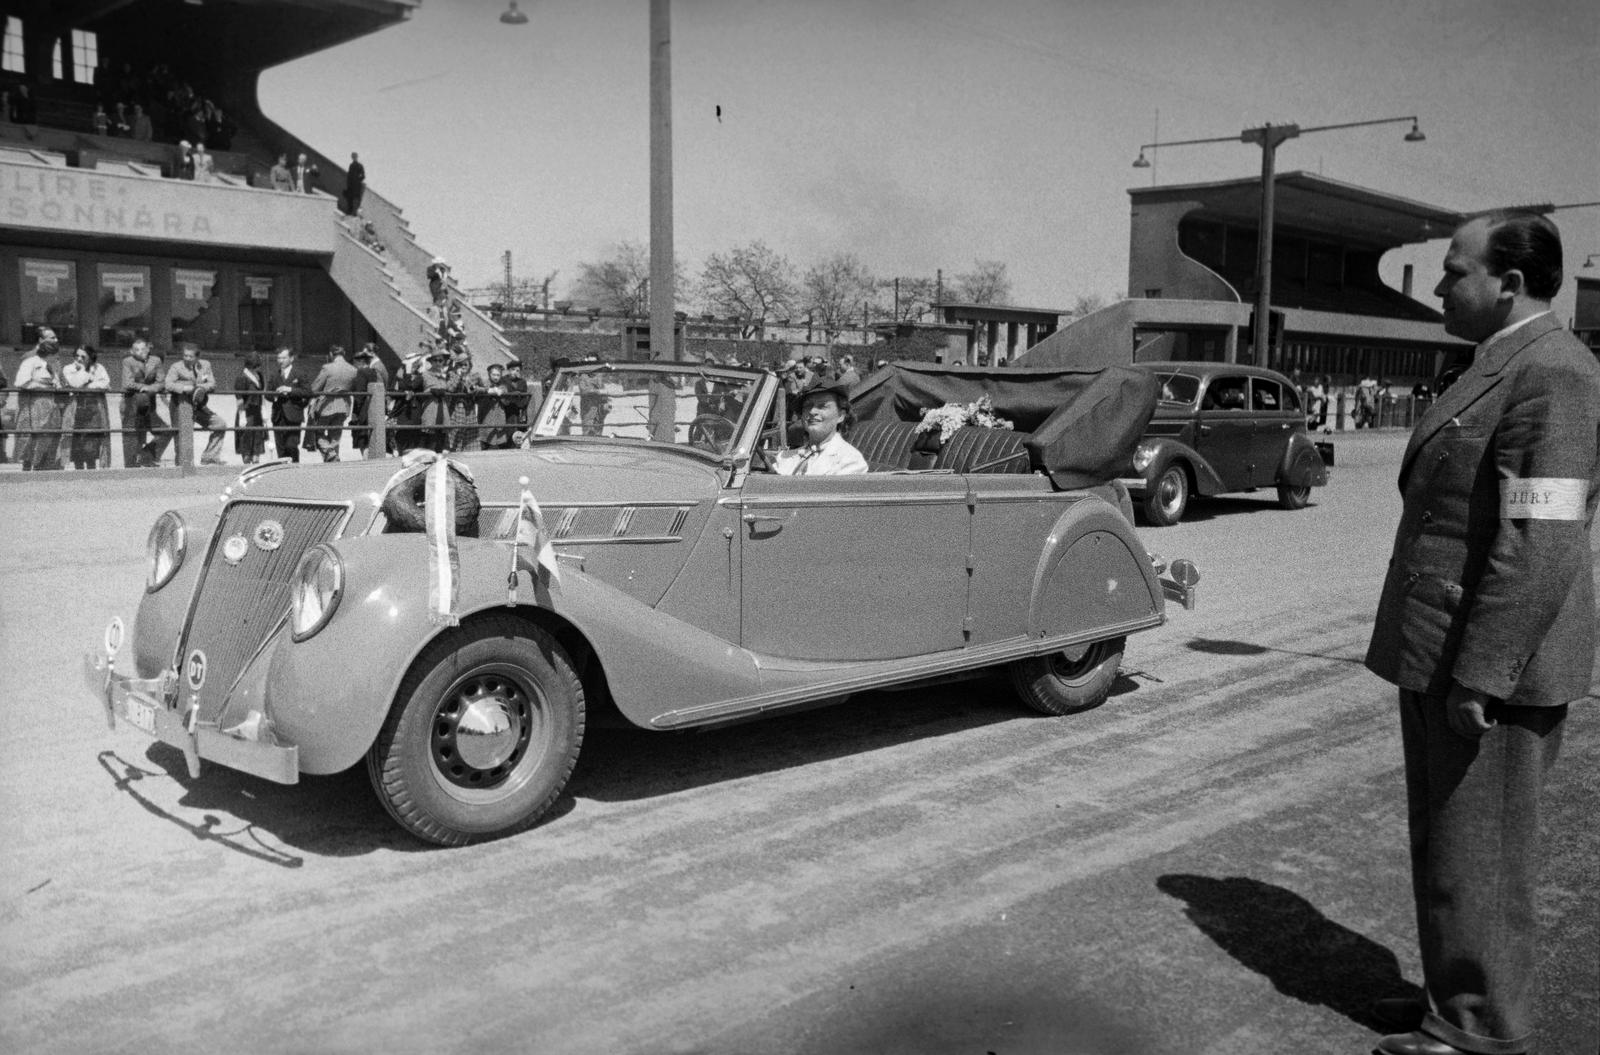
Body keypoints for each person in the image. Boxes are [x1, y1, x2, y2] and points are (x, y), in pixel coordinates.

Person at [1363, 212, 1600, 1055]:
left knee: (1485, 853)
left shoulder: (1556, 375)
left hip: (1490, 662)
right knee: (1448, 843)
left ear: (1509, 283)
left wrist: (1484, 673)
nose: (1438, 286)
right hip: (1440, 646)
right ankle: (1449, 999)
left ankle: (1478, 1030)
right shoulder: (1500, 364)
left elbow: (1540, 542)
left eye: (1453, 272)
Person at [773, 380, 867, 475]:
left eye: (822, 406)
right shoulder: (784, 457)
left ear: (840, 416)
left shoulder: (850, 461)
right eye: (808, 406)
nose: (812, 411)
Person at [164, 341, 227, 464]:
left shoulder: (205, 365)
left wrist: (199, 388)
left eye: (190, 356)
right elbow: (168, 384)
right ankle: (183, 465)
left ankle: (209, 457)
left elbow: (212, 383)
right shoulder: (176, 367)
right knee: (183, 436)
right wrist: (183, 388)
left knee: (220, 425)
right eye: (185, 355)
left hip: (199, 405)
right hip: (181, 405)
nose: (187, 358)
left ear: (197, 357)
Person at [15, 329, 64, 471]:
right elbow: (21, 382)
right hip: (34, 405)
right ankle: (27, 469)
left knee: (47, 439)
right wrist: (40, 385)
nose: (55, 360)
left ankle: (41, 468)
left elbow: (58, 381)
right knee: (31, 439)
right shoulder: (30, 361)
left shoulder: (51, 366)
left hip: (50, 406)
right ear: (47, 354)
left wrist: (56, 385)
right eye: (54, 356)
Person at [120, 338, 170, 467]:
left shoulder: (156, 361)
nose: (140, 352)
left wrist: (151, 388)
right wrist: (143, 387)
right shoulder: (127, 361)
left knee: (166, 431)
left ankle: (145, 457)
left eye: (143, 349)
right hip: (131, 404)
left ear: (148, 349)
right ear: (132, 351)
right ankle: (131, 467)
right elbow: (127, 383)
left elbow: (161, 382)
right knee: (132, 436)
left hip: (149, 405)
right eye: (136, 349)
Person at [307, 345, 358, 462]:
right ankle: (334, 460)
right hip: (344, 405)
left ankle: (330, 452)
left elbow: (315, 387)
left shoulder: (328, 368)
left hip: (327, 405)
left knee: (317, 432)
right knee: (336, 434)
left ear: (331, 354)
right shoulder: (353, 370)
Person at [63, 345, 112, 469]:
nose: (79, 359)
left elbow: (105, 383)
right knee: (77, 444)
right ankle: (78, 471)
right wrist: (84, 371)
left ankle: (92, 471)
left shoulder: (99, 367)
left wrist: (87, 386)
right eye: (76, 356)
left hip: (95, 408)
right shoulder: (68, 368)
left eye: (83, 356)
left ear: (90, 357)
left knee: (92, 443)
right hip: (76, 409)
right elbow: (74, 383)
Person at [267, 346, 314, 462]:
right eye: (279, 358)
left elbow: (308, 392)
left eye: (284, 358)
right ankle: (282, 474)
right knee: (281, 449)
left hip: (293, 415)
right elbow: (267, 394)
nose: (281, 361)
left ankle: (295, 470)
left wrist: (290, 390)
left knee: (291, 446)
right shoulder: (274, 375)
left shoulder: (299, 373)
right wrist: (276, 396)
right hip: (278, 416)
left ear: (291, 358)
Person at [349, 346, 382, 456]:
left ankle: (365, 461)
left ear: (360, 361)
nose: (353, 364)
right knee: (368, 438)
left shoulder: (362, 372)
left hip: (362, 410)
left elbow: (359, 394)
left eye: (354, 361)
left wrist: (355, 413)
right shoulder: (373, 371)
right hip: (371, 406)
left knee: (362, 439)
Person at [234, 352, 266, 464]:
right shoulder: (242, 377)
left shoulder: (259, 375)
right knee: (246, 440)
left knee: (258, 439)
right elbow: (239, 399)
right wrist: (242, 417)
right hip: (246, 412)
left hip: (257, 412)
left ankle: (256, 462)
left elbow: (261, 394)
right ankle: (246, 463)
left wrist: (264, 412)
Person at [343, 152, 366, 216]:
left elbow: (363, 176)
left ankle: (353, 212)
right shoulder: (351, 165)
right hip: (351, 186)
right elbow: (349, 176)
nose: (354, 158)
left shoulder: (359, 166)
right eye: (353, 157)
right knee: (350, 199)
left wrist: (357, 180)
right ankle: (349, 211)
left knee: (355, 199)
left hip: (355, 186)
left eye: (354, 156)